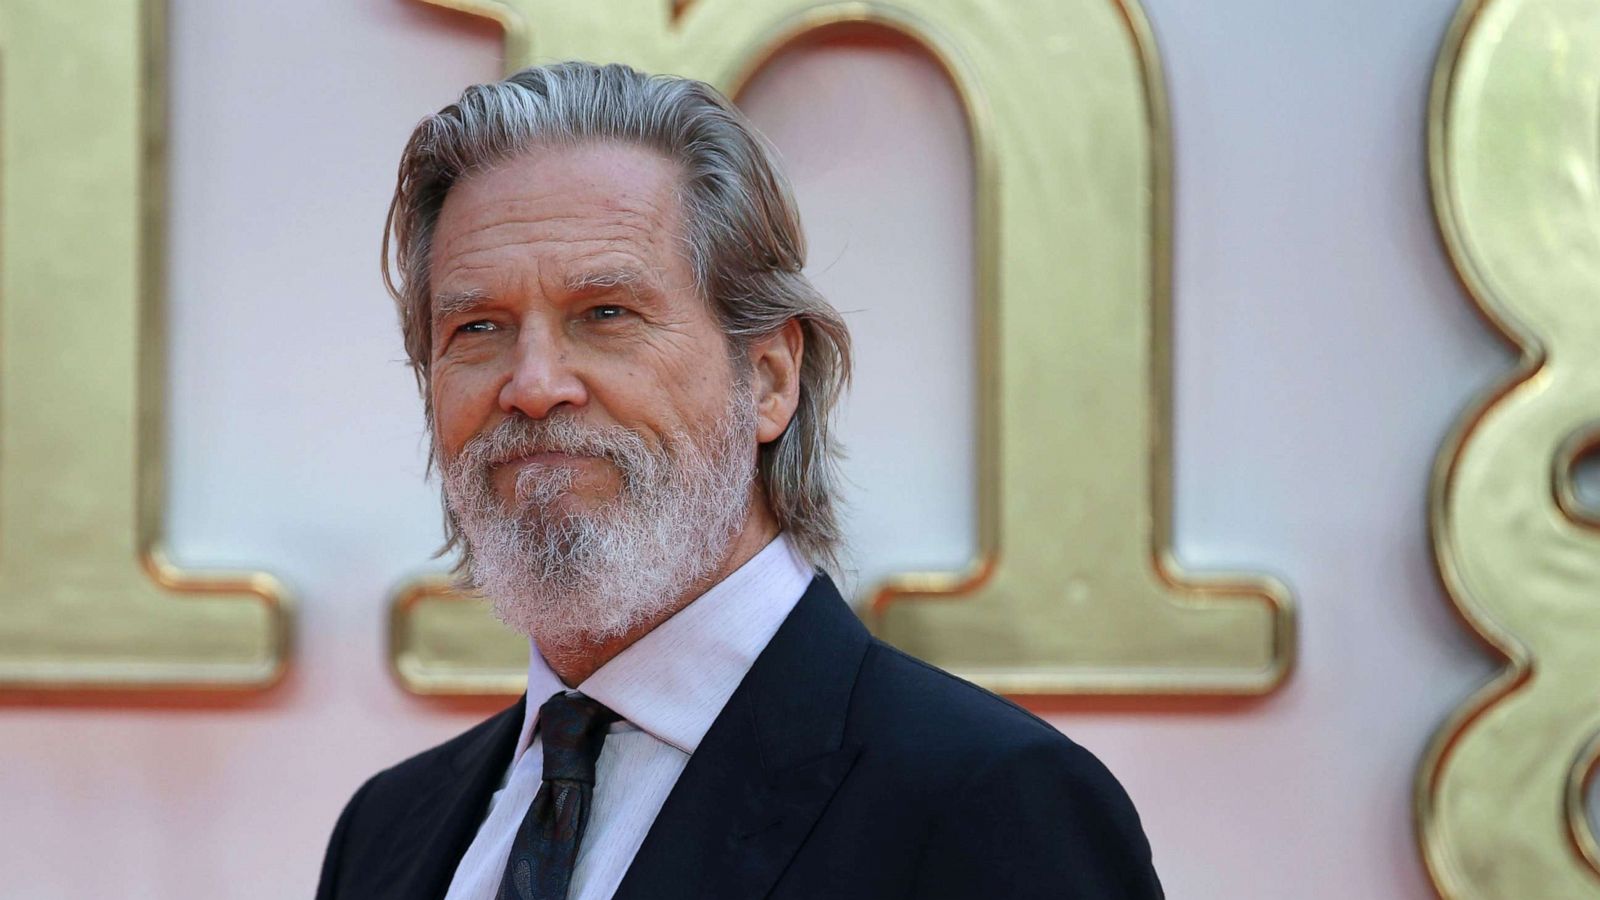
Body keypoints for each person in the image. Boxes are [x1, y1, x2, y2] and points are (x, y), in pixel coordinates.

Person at [317, 61, 1163, 900]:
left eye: (605, 314)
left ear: (767, 379)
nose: (535, 384)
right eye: (478, 326)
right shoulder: (387, 833)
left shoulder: (990, 804)